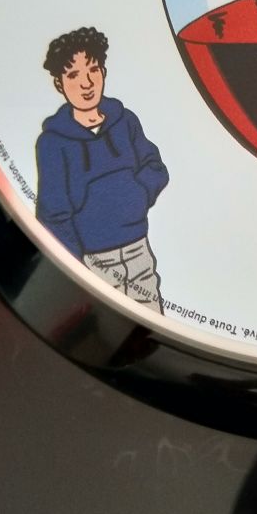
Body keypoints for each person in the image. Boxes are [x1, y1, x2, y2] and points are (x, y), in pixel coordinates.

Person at [35, 27, 169, 313]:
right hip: (94, 261)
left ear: (104, 72)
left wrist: (136, 196)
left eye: (93, 70)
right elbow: (52, 213)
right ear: (59, 84)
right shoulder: (52, 143)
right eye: (73, 75)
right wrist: (76, 265)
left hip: (138, 250)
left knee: (153, 323)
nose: (86, 83)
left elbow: (155, 167)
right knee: (109, 327)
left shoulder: (125, 121)